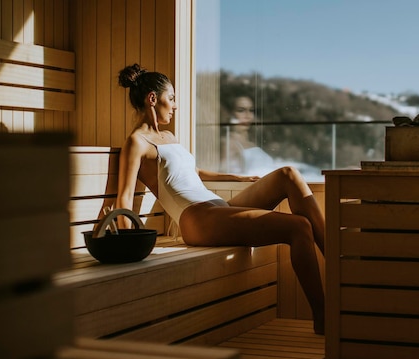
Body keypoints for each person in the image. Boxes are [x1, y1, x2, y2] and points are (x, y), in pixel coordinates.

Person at [117, 64, 325, 334]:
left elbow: (191, 172)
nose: (176, 106)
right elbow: (123, 197)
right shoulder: (137, 143)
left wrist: (238, 178)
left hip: (217, 208)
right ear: (153, 99)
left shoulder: (168, 136)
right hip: (197, 219)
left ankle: (336, 259)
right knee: (299, 227)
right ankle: (324, 316)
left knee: (288, 174)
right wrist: (124, 248)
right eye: (173, 98)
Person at [221, 95, 277, 176]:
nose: (248, 116)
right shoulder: (229, 143)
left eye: (251, 110)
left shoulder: (252, 141)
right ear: (231, 114)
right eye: (241, 110)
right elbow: (223, 176)